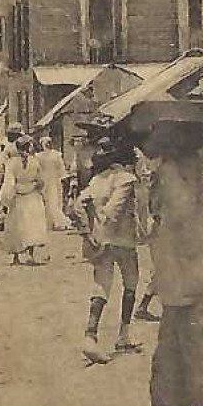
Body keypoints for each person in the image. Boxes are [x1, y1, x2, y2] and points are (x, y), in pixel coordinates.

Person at [137, 104, 203, 406]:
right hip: (192, 274)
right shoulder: (197, 166)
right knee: (174, 354)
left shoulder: (172, 170)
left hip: (190, 276)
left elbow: (180, 211)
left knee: (196, 354)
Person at [76, 134, 147, 363]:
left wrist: (88, 232)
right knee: (131, 283)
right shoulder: (126, 179)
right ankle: (124, 335)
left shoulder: (96, 180)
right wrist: (99, 213)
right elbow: (113, 213)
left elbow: (75, 206)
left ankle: (90, 336)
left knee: (101, 287)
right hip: (122, 241)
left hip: (100, 240)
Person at [0, 133, 50, 265]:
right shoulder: (35, 161)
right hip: (32, 195)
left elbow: (9, 181)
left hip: (19, 195)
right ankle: (31, 255)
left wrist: (7, 197)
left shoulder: (11, 163)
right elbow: (41, 180)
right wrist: (37, 188)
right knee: (31, 225)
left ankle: (16, 257)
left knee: (17, 225)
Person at [37, 135, 70, 232]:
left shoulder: (56, 155)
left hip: (54, 179)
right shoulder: (39, 156)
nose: (46, 145)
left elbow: (61, 168)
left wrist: (63, 177)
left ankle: (58, 222)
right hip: (46, 179)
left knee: (54, 200)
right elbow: (37, 169)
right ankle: (50, 222)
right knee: (47, 201)